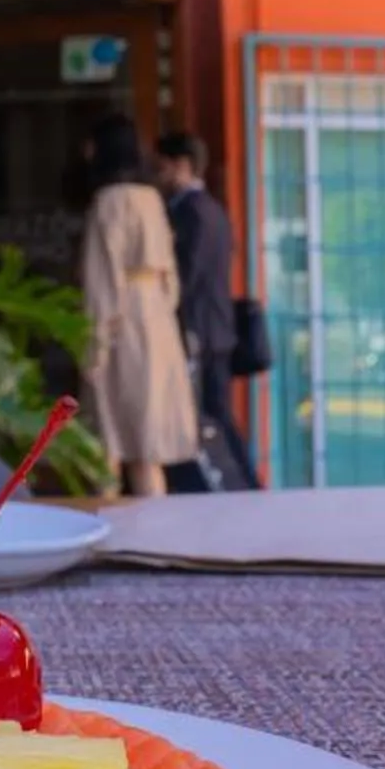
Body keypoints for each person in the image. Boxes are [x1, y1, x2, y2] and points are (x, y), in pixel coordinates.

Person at [77, 113, 198, 498]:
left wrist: (94, 343)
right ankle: (156, 528)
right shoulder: (151, 198)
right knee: (147, 450)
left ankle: (107, 525)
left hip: (122, 322)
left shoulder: (107, 201)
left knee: (108, 441)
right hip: (157, 320)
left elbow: (101, 279)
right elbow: (170, 277)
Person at [154, 130, 261, 491]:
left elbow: (188, 275)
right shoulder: (212, 209)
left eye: (162, 167)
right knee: (216, 415)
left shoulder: (192, 212)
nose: (159, 176)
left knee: (213, 416)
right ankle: (245, 488)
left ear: (181, 165)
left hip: (202, 331)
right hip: (215, 328)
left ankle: (243, 488)